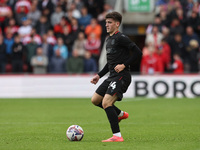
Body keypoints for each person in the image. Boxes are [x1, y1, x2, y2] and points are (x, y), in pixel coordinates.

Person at [90, 12, 142, 142]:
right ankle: (119, 114)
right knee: (95, 100)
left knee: (106, 103)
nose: (106, 25)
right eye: (106, 22)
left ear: (117, 24)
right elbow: (110, 63)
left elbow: (138, 52)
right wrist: (99, 75)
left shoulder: (121, 38)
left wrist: (124, 65)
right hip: (112, 76)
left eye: (110, 22)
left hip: (122, 76)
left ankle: (117, 136)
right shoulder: (109, 39)